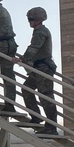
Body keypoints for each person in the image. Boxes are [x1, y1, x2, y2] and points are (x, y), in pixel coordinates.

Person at [14, 7, 58, 135]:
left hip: (44, 68)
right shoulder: (38, 31)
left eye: (32, 19)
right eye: (29, 19)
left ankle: (51, 127)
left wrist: (22, 58)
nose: (30, 22)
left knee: (45, 97)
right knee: (26, 89)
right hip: (38, 67)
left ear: (39, 19)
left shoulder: (41, 32)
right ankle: (36, 116)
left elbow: (34, 47)